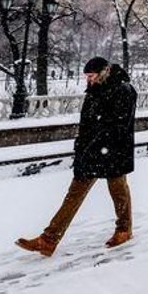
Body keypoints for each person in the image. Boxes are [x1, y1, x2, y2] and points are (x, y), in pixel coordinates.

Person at [16, 57, 138, 257]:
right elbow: (88, 124)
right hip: (91, 153)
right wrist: (82, 147)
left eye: (91, 76)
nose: (88, 80)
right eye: (87, 77)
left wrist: (93, 146)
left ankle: (124, 230)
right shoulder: (96, 89)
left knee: (118, 191)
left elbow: (117, 126)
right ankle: (49, 239)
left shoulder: (123, 90)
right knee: (74, 195)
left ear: (104, 71)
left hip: (113, 152)